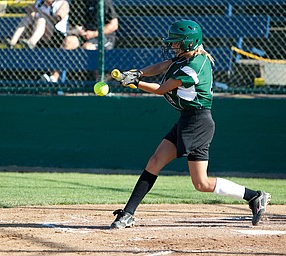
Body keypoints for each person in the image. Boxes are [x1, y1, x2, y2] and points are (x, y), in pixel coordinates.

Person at [110, 19, 271, 229]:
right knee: (176, 171)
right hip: (189, 119)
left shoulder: (194, 67)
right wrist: (138, 73)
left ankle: (254, 196)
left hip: (197, 122)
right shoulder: (184, 58)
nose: (173, 46)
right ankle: (128, 213)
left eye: (177, 42)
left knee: (188, 177)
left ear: (190, 43)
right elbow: (162, 66)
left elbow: (161, 89)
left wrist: (134, 83)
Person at [42, 0, 118, 83]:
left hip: (103, 36)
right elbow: (72, 24)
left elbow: (114, 25)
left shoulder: (103, 1)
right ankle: (54, 78)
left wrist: (94, 33)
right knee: (69, 41)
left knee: (87, 47)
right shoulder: (77, 2)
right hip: (83, 36)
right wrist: (77, 30)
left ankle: (101, 81)